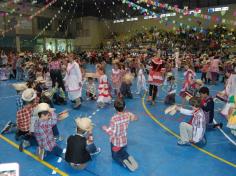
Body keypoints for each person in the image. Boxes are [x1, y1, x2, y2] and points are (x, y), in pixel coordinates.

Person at [102, 98, 138, 172]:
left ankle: (123, 163)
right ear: (125, 107)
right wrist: (132, 116)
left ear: (114, 108)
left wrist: (105, 129)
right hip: (124, 141)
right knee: (123, 151)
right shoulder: (128, 115)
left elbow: (112, 133)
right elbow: (135, 118)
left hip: (116, 143)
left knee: (114, 157)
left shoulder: (114, 119)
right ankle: (127, 157)